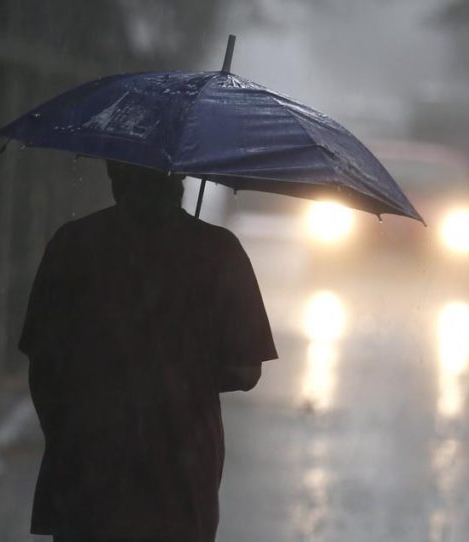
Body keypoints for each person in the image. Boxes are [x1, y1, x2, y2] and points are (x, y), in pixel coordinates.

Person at [19, 161, 278, 542]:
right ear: (181, 178)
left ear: (114, 174)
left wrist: (70, 436)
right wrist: (185, 374)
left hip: (86, 475)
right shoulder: (219, 251)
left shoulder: (72, 244)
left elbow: (43, 365)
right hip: (181, 479)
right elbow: (246, 371)